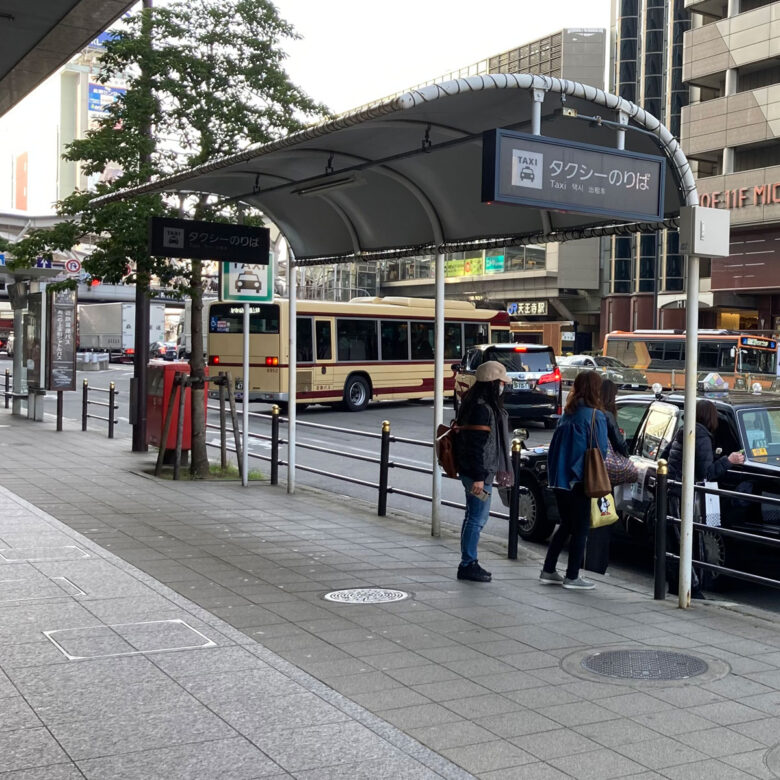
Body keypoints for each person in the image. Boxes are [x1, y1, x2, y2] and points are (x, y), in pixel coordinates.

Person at [662, 399, 744, 599]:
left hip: (672, 490)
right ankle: (691, 587)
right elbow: (706, 472)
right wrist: (729, 460)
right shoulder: (701, 436)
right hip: (681, 494)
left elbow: (666, 455)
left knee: (676, 540)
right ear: (710, 417)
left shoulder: (686, 430)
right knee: (685, 540)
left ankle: (677, 585)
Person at [540, 370, 608, 590]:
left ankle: (549, 569)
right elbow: (601, 450)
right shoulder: (595, 416)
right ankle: (572, 576)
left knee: (566, 524)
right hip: (580, 479)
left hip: (559, 479)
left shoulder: (568, 414)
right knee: (580, 528)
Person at [454, 360, 512, 582]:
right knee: (477, 518)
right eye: (500, 382)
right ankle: (468, 563)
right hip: (478, 475)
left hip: (473, 472)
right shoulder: (481, 408)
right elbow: (475, 444)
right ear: (492, 383)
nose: (503, 386)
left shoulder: (472, 401)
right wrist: (479, 477)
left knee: (472, 516)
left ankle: (468, 561)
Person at [584, 379, 632, 575]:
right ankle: (597, 566)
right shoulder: (607, 415)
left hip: (585, 472)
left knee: (587, 522)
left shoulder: (589, 411)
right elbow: (621, 445)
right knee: (602, 521)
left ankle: (583, 563)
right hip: (602, 477)